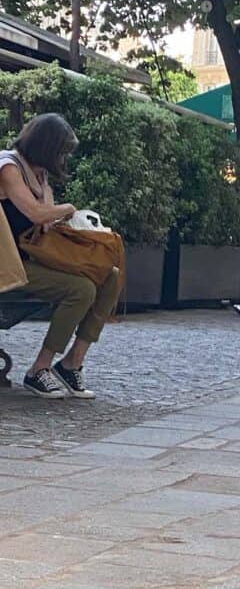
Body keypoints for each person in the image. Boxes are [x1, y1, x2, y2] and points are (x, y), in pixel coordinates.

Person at [0, 113, 121, 399]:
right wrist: (67, 208)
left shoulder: (39, 175)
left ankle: (71, 364)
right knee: (80, 288)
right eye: (62, 152)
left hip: (29, 259)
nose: (64, 160)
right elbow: (37, 214)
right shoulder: (8, 167)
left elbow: (44, 227)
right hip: (8, 265)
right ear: (47, 148)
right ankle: (39, 370)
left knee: (110, 275)